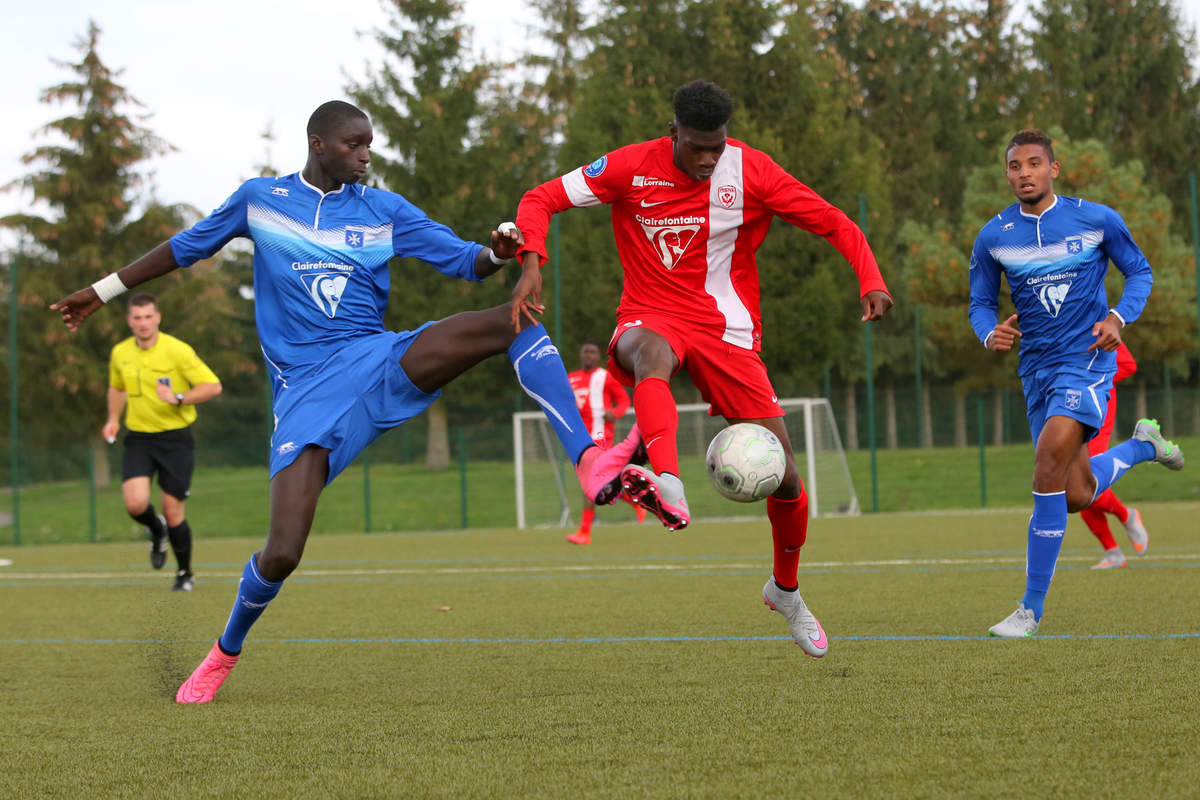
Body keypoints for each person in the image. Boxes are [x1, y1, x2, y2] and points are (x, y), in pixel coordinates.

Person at [50, 100, 642, 703]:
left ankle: (588, 458)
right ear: (318, 144)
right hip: (304, 393)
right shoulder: (260, 200)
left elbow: (468, 264)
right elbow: (185, 248)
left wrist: (497, 250)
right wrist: (101, 292)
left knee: (515, 321)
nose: (365, 155)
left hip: (377, 361)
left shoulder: (383, 210)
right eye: (354, 144)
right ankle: (222, 654)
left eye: (369, 144)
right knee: (281, 552)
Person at [512, 79, 893, 658]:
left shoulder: (752, 171)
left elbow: (833, 221)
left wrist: (870, 277)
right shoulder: (627, 167)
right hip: (649, 312)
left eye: (716, 148)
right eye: (696, 148)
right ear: (674, 134)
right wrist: (530, 262)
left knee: (788, 479)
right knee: (650, 356)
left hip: (728, 333)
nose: (708, 159)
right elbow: (540, 198)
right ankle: (667, 480)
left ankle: (785, 592)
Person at [969, 129, 1184, 638]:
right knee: (1074, 494)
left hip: (1087, 361)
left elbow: (1140, 272)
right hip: (1036, 369)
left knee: (1046, 463)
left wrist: (1117, 317)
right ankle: (1140, 447)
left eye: (1033, 163)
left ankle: (1030, 610)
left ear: (1053, 169)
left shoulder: (1096, 219)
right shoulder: (994, 235)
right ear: (1008, 173)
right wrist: (988, 332)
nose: (1024, 173)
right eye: (1015, 166)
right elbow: (980, 302)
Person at [103, 292, 222, 591]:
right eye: (137, 317)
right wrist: (113, 419)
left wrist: (179, 398)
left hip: (175, 440)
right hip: (139, 438)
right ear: (129, 321)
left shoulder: (177, 351)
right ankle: (157, 531)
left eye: (148, 316)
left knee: (174, 512)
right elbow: (116, 388)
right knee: (135, 504)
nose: (143, 323)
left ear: (158, 318)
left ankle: (185, 574)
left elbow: (212, 386)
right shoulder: (120, 352)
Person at [567, 341, 645, 545]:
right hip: (579, 437)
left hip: (600, 436)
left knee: (590, 483)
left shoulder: (605, 377)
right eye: (585, 352)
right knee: (600, 482)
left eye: (592, 352)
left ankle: (584, 532)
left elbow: (624, 401)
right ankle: (633, 500)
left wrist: (614, 414)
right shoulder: (571, 378)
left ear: (598, 356)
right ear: (581, 355)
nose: (589, 355)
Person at [1081, 342, 1149, 569]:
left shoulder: (1100, 326)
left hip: (1098, 415)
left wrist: (1095, 380)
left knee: (1086, 481)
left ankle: (1126, 515)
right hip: (1069, 411)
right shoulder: (1059, 324)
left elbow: (1128, 365)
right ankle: (1113, 553)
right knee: (1073, 491)